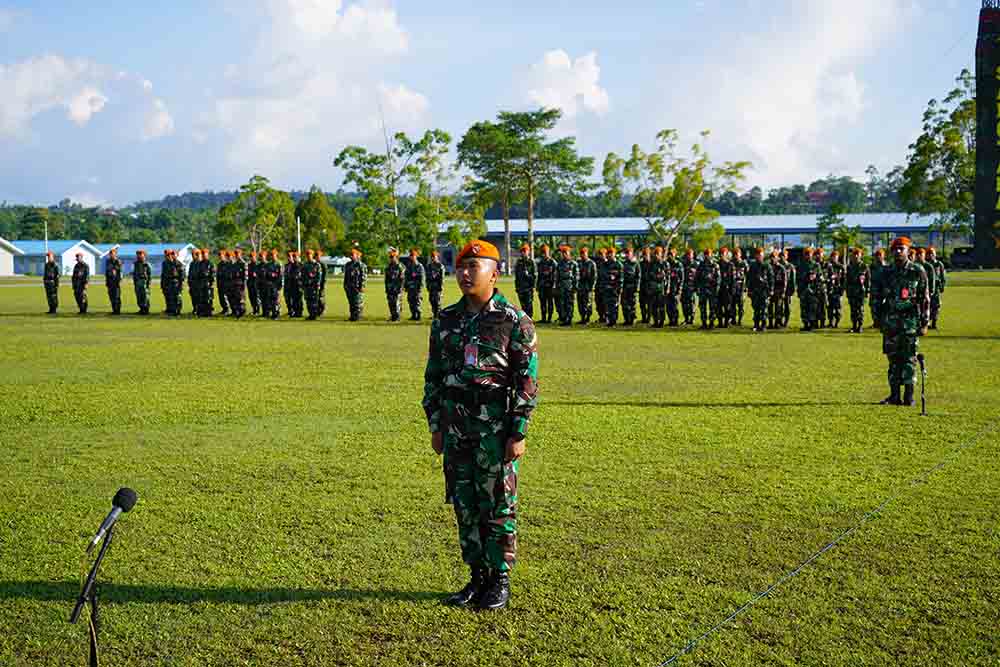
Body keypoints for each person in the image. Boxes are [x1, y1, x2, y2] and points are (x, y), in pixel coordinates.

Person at [423, 239, 538, 611]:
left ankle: (500, 579)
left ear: (495, 272)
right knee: (465, 504)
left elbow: (527, 380)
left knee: (498, 504)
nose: (466, 273)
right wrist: (436, 424)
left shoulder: (514, 321)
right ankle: (477, 577)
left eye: (475, 266)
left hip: (495, 430)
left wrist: (518, 430)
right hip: (457, 427)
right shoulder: (446, 319)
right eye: (462, 266)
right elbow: (434, 376)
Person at [875, 237, 929, 407]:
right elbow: (876, 296)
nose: (898, 251)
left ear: (908, 250)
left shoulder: (917, 270)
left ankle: (909, 396)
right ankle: (894, 396)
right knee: (893, 359)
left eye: (901, 248)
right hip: (890, 323)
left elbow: (924, 298)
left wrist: (925, 322)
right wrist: (877, 319)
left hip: (910, 323)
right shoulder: (885, 272)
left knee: (909, 359)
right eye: (895, 249)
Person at [747, 247, 773, 332]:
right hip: (755, 290)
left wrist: (771, 290)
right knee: (756, 309)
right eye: (758, 255)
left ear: (763, 256)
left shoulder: (767, 265)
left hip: (764, 291)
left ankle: (764, 325)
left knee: (764, 309)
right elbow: (749, 279)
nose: (759, 257)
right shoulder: (752, 266)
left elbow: (771, 279)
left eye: (761, 255)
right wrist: (749, 290)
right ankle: (756, 325)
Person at [845, 247, 870, 333]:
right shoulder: (849, 267)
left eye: (857, 254)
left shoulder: (864, 266)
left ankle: (860, 326)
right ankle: (854, 326)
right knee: (853, 310)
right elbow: (847, 280)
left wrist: (867, 291)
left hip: (860, 291)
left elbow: (867, 280)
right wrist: (847, 291)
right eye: (854, 254)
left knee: (860, 309)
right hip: (852, 291)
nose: (855, 256)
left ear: (860, 256)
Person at [695, 248, 720, 329]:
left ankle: (712, 323)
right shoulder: (700, 265)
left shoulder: (715, 265)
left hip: (712, 289)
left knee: (712, 307)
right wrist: (697, 288)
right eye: (706, 254)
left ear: (711, 255)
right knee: (702, 307)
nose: (707, 256)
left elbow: (718, 278)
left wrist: (717, 289)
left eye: (708, 254)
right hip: (702, 289)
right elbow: (697, 278)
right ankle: (704, 323)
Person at [797, 247, 821, 331]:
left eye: (809, 254)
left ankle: (811, 324)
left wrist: (817, 287)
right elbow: (798, 278)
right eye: (806, 254)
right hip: (803, 289)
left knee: (812, 308)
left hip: (813, 290)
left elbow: (819, 277)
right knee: (804, 308)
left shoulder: (816, 265)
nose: (808, 256)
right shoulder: (801, 265)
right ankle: (805, 324)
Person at [555, 244, 578, 326]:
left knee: (569, 303)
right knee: (562, 303)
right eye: (563, 253)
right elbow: (557, 276)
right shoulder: (559, 264)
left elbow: (576, 276)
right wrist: (556, 286)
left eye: (566, 253)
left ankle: (569, 319)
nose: (564, 255)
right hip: (561, 286)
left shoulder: (573, 264)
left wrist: (575, 287)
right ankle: (564, 319)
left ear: (569, 254)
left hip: (570, 286)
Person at [602, 247, 624, 327]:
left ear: (614, 254)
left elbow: (621, 278)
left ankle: (613, 321)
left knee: (614, 305)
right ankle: (608, 321)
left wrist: (619, 288)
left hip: (615, 288)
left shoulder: (618, 264)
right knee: (607, 305)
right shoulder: (604, 264)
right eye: (609, 253)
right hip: (606, 288)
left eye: (612, 253)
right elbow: (603, 276)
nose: (610, 255)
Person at [648, 246, 669, 328]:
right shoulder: (651, 264)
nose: (656, 255)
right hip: (653, 288)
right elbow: (648, 276)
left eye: (658, 254)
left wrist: (667, 288)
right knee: (654, 306)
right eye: (655, 254)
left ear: (661, 254)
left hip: (662, 288)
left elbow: (668, 277)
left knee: (661, 306)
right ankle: (656, 321)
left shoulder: (664, 264)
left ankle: (661, 322)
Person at [344, 246, 367, 321]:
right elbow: (346, 276)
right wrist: (345, 285)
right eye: (350, 255)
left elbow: (363, 277)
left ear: (357, 255)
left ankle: (358, 316)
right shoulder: (348, 265)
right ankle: (352, 316)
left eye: (352, 254)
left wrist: (362, 287)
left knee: (357, 302)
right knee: (351, 303)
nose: (351, 256)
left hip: (357, 287)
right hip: (349, 287)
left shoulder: (361, 265)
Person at [514, 244, 537, 319]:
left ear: (528, 252)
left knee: (529, 305)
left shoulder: (531, 262)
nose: (523, 253)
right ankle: (524, 319)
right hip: (521, 287)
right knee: (523, 305)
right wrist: (517, 287)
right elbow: (517, 276)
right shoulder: (519, 262)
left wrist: (533, 286)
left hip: (528, 287)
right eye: (522, 251)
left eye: (525, 251)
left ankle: (529, 319)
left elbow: (534, 276)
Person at [536, 245, 557, 324]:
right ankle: (543, 318)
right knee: (543, 303)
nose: (544, 254)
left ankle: (549, 318)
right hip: (542, 286)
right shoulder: (541, 262)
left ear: (548, 252)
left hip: (550, 286)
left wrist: (554, 286)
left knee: (550, 303)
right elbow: (539, 275)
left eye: (545, 252)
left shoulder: (553, 262)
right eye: (543, 252)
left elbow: (555, 275)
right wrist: (538, 285)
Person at [620, 246, 641, 326]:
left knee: (632, 303)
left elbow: (638, 276)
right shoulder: (623, 263)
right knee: (624, 304)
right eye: (626, 253)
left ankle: (632, 319)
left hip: (632, 286)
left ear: (632, 254)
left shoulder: (636, 264)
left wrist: (637, 287)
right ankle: (626, 319)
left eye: (628, 253)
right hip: (625, 287)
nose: (627, 255)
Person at [927, 246, 946, 329]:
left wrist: (942, 286)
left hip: (936, 288)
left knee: (936, 306)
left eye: (932, 253)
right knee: (927, 305)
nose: (931, 255)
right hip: (928, 288)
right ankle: (926, 322)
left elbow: (943, 276)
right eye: (929, 254)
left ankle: (934, 323)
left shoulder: (939, 264)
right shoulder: (926, 265)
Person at [301, 249, 323, 320]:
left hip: (314, 286)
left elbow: (319, 276)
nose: (308, 256)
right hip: (307, 286)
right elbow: (303, 276)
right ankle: (311, 314)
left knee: (314, 300)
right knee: (308, 300)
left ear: (312, 255)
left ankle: (314, 315)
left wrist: (318, 284)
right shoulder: (305, 265)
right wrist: (303, 285)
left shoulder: (316, 265)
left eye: (309, 254)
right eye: (307, 255)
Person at [576, 247, 596, 324]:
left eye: (584, 253)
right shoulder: (579, 263)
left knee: (587, 303)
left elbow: (594, 276)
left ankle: (587, 318)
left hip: (588, 286)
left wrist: (591, 287)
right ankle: (582, 318)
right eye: (581, 253)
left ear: (587, 253)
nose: (582, 255)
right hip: (580, 286)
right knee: (580, 303)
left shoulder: (591, 263)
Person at [826, 250, 845, 328]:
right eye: (833, 257)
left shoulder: (841, 267)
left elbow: (844, 280)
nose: (834, 258)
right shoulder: (828, 266)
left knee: (837, 307)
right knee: (830, 307)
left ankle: (837, 323)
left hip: (838, 290)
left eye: (836, 257)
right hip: (829, 289)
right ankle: (831, 322)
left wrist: (842, 290)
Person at [404, 248, 426, 321]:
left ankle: (418, 315)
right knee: (410, 301)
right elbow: (406, 277)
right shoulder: (409, 266)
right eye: (411, 255)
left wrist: (420, 287)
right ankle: (413, 315)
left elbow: (422, 277)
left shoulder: (419, 266)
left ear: (416, 256)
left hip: (416, 287)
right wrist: (406, 286)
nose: (411, 257)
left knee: (417, 301)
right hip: (410, 287)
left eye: (413, 255)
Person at [767, 250, 786, 330]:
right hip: (770, 290)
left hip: (779, 290)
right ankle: (770, 323)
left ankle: (777, 323)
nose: (773, 259)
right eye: (771, 257)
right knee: (770, 308)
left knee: (778, 308)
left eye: (774, 257)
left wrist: (783, 291)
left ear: (777, 258)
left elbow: (785, 281)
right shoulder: (768, 267)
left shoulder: (781, 268)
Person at [385, 247, 405, 322]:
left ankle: (397, 317)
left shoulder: (400, 266)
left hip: (397, 288)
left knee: (396, 303)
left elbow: (402, 279)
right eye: (390, 257)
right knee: (391, 303)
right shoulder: (388, 267)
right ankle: (393, 316)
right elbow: (386, 279)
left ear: (396, 257)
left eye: (392, 257)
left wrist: (400, 288)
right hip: (390, 288)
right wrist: (387, 288)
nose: (391, 258)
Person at [666, 247, 684, 327]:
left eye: (672, 254)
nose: (670, 256)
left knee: (675, 305)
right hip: (668, 288)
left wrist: (680, 289)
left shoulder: (678, 264)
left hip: (675, 288)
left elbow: (682, 278)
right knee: (668, 306)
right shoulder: (666, 263)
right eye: (669, 254)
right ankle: (670, 320)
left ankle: (675, 321)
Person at [869, 248, 888, 328]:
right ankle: (876, 322)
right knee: (873, 307)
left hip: (883, 290)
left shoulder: (886, 267)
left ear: (883, 256)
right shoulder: (872, 266)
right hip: (874, 290)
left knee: (882, 307)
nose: (878, 257)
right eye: (877, 255)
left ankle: (882, 323)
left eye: (880, 255)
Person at [716, 247, 734, 329]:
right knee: (718, 307)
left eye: (723, 254)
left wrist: (731, 289)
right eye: (721, 254)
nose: (722, 255)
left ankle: (726, 323)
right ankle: (720, 323)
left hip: (727, 289)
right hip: (718, 289)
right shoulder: (717, 264)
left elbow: (732, 278)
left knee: (727, 307)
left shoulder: (730, 265)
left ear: (726, 255)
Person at [731, 247, 748, 326]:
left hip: (741, 286)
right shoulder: (731, 263)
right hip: (733, 286)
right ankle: (733, 320)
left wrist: (746, 286)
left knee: (741, 305)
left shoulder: (744, 263)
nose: (736, 256)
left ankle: (740, 320)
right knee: (732, 304)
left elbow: (748, 275)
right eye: (734, 255)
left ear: (740, 255)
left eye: (737, 254)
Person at [681, 248, 698, 325]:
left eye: (690, 254)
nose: (689, 256)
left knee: (692, 304)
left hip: (693, 287)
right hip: (684, 287)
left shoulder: (696, 264)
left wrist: (697, 287)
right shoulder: (683, 264)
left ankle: (692, 319)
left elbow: (698, 276)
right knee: (684, 303)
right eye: (688, 254)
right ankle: (686, 318)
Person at [284, 251, 303, 318]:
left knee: (299, 300)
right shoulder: (291, 265)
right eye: (294, 257)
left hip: (298, 285)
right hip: (291, 285)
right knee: (294, 299)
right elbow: (288, 275)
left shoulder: (301, 265)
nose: (294, 258)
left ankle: (299, 312)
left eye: (296, 257)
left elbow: (302, 275)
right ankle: (295, 312)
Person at [426, 249, 445, 319]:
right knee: (431, 300)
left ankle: (438, 315)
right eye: (432, 257)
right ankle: (434, 314)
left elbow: (442, 278)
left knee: (437, 301)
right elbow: (427, 277)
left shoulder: (440, 266)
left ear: (437, 257)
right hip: (431, 287)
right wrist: (427, 286)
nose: (433, 258)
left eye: (434, 256)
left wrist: (441, 287)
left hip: (437, 287)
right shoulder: (429, 266)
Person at [229, 249, 248, 318]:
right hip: (234, 284)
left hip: (241, 284)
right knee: (236, 299)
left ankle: (242, 311)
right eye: (236, 254)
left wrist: (244, 285)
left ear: (241, 254)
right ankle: (238, 312)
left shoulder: (244, 264)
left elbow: (246, 276)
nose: (237, 255)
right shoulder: (235, 264)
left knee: (241, 299)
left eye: (238, 254)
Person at [133, 249, 152, 315]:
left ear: (144, 255)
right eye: (138, 254)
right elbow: (134, 273)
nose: (139, 255)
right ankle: (141, 309)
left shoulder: (147, 264)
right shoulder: (136, 264)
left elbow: (149, 275)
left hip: (144, 282)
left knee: (145, 297)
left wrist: (148, 284)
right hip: (137, 282)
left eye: (141, 254)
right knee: (139, 296)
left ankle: (146, 310)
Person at [104, 247, 123, 315]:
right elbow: (107, 272)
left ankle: (117, 310)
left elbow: (120, 272)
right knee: (111, 296)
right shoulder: (108, 261)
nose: (111, 255)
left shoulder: (118, 261)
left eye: (113, 254)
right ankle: (114, 309)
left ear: (115, 254)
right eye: (110, 254)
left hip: (116, 282)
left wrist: (119, 281)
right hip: (110, 282)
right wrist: (106, 281)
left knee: (116, 296)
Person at [813, 247, 828, 328]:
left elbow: (831, 276)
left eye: (820, 254)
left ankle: (822, 323)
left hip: (823, 288)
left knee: (822, 307)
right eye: (817, 254)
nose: (819, 256)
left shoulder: (827, 265)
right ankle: (815, 323)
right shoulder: (813, 264)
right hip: (814, 288)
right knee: (815, 306)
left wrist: (826, 280)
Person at [781, 249, 796, 328]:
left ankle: (786, 322)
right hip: (780, 289)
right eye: (781, 256)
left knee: (787, 306)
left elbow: (793, 279)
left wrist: (793, 289)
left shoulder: (790, 266)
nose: (782, 257)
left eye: (784, 255)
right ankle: (779, 321)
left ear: (787, 256)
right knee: (779, 306)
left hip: (788, 289)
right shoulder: (778, 265)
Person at [639, 246, 653, 324]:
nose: (645, 256)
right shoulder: (640, 264)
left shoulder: (652, 264)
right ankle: (644, 318)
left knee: (650, 304)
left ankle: (648, 318)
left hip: (650, 286)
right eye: (644, 255)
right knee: (642, 303)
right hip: (642, 286)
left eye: (646, 255)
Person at [594, 248, 608, 324]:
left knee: (605, 303)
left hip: (605, 287)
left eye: (602, 254)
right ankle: (601, 317)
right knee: (598, 303)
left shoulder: (608, 263)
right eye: (599, 254)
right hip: (598, 286)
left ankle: (606, 317)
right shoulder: (597, 263)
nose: (600, 256)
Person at [187, 248, 202, 315]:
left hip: (198, 283)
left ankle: (199, 309)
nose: (193, 256)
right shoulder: (192, 263)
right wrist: (189, 281)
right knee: (193, 297)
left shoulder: (201, 263)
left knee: (199, 297)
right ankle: (195, 308)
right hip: (192, 283)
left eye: (195, 254)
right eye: (192, 254)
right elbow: (190, 273)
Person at [217, 249, 230, 316]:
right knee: (221, 297)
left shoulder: (227, 264)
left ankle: (227, 309)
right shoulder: (219, 265)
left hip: (226, 283)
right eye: (219, 256)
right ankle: (224, 309)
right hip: (220, 283)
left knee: (225, 297)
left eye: (221, 255)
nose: (220, 257)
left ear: (224, 256)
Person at [247, 251, 261, 316]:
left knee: (256, 297)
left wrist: (257, 274)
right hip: (250, 283)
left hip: (256, 283)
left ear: (255, 257)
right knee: (251, 297)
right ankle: (254, 309)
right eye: (251, 257)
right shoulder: (249, 265)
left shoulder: (258, 265)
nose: (252, 258)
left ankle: (257, 311)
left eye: (253, 257)